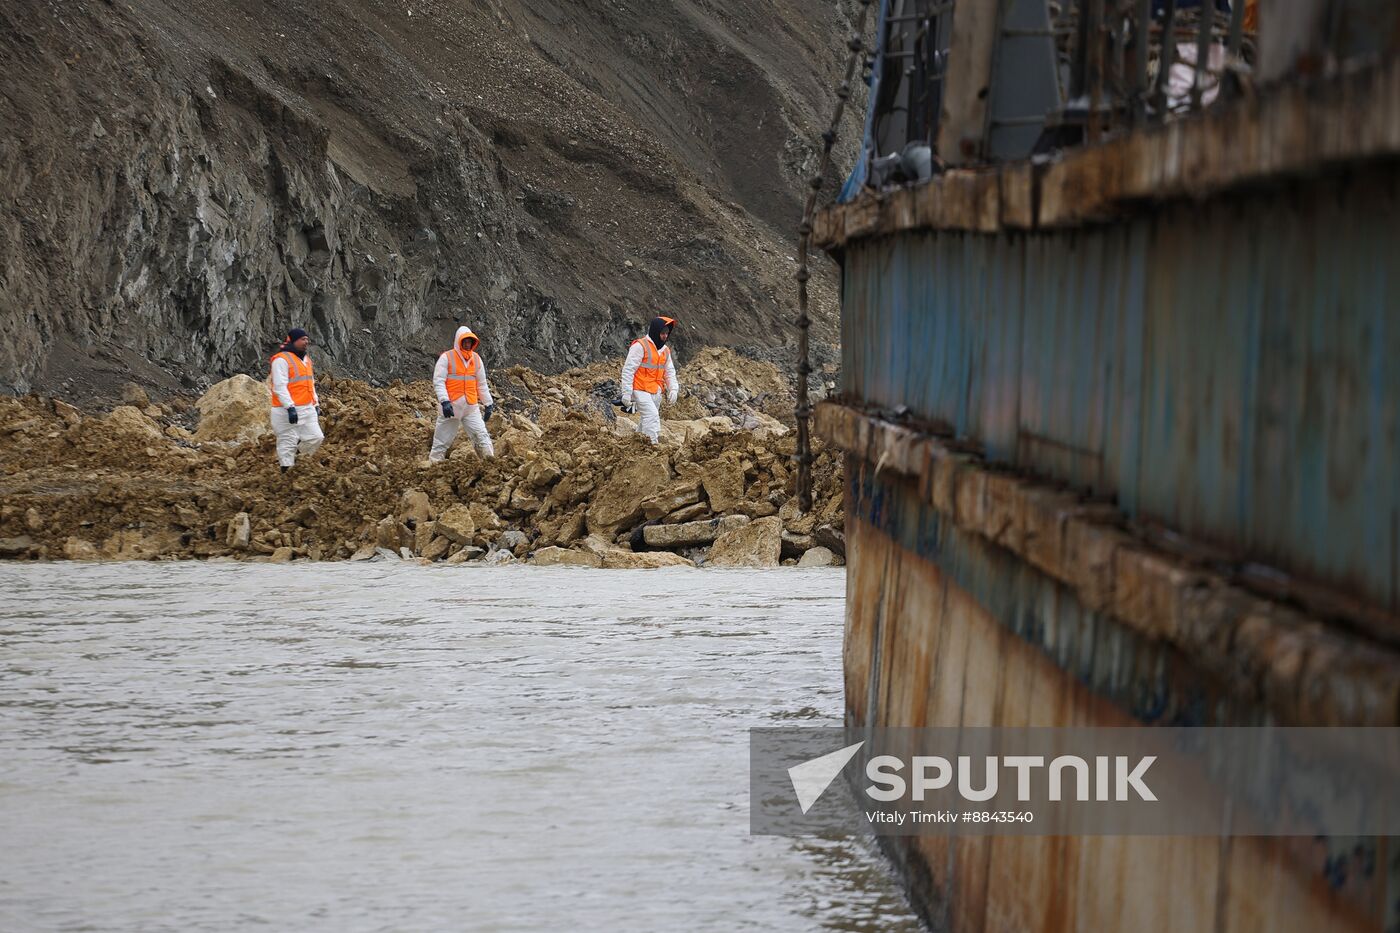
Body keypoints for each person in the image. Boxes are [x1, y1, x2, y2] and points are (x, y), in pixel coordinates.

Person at [429, 325, 495, 462]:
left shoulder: (476, 359)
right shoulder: (447, 357)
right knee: (441, 441)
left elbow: (481, 384)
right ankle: (434, 465)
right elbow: (439, 381)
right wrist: (444, 401)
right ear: (458, 341)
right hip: (451, 408)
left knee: (481, 436)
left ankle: (490, 464)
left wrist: (488, 403)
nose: (467, 344)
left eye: (469, 341)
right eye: (464, 341)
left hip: (470, 408)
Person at [268, 327, 324, 472]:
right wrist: (290, 407)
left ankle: (300, 459)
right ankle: (286, 472)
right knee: (287, 441)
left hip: (307, 407)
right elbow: (279, 386)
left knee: (316, 437)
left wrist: (316, 403)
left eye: (307, 339)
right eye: (302, 339)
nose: (306, 342)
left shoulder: (306, 360)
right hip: (285, 410)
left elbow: (310, 383)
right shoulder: (281, 360)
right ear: (293, 341)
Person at [619, 316, 679, 443]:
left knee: (646, 420)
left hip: (656, 392)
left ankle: (636, 444)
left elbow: (669, 372)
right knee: (652, 417)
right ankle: (652, 446)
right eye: (662, 333)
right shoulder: (640, 346)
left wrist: (673, 389)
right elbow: (628, 370)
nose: (665, 336)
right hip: (640, 389)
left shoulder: (665, 351)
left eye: (667, 333)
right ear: (655, 331)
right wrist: (626, 393)